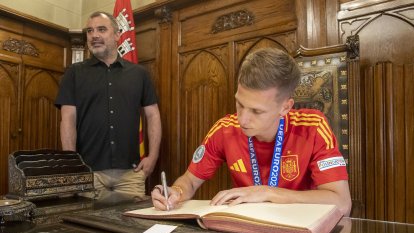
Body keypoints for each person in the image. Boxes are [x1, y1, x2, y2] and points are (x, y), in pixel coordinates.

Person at [151, 48, 351, 216]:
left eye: (256, 111)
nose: (243, 119)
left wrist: (267, 193)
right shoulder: (225, 129)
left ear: (285, 107)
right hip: (247, 232)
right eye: (239, 104)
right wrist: (176, 191)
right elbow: (190, 181)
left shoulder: (313, 126)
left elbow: (341, 202)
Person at [55, 11, 161, 202]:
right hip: (89, 174)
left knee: (131, 230)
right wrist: (73, 165)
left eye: (101, 29)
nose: (94, 35)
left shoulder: (139, 74)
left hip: (131, 175)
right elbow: (68, 120)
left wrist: (152, 156)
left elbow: (153, 115)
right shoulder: (74, 74)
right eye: (90, 31)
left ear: (117, 34)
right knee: (88, 231)